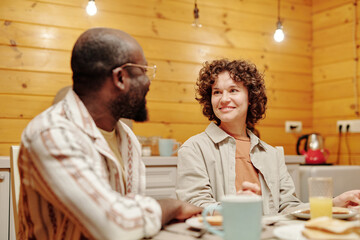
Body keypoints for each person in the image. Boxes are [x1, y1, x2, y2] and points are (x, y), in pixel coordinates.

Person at [17, 27, 201, 240]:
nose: (149, 82)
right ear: (120, 77)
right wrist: (173, 206)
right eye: (143, 71)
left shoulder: (127, 138)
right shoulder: (52, 134)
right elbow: (116, 226)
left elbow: (131, 218)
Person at [175, 59, 360, 215]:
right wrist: (236, 207)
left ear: (250, 98)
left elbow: (289, 208)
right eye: (217, 92)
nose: (224, 99)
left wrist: (334, 204)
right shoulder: (193, 148)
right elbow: (195, 206)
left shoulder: (272, 154)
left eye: (233, 90)